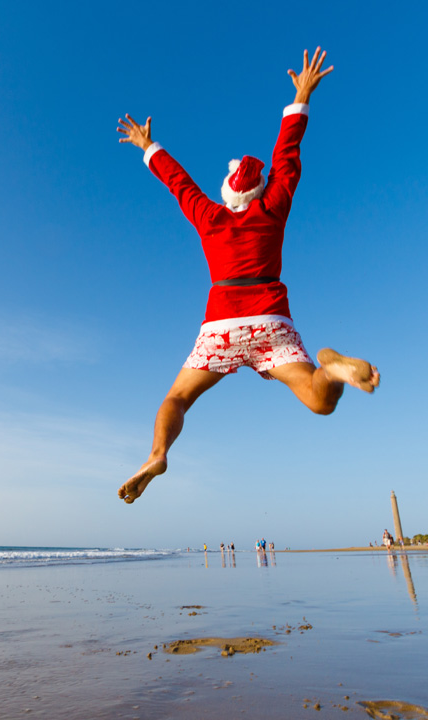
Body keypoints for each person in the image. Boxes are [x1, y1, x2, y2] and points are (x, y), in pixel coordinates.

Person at [116, 48, 379, 505]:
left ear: (227, 193)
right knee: (320, 400)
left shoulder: (208, 216)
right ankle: (331, 368)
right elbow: (287, 157)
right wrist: (301, 97)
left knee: (177, 399)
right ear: (259, 191)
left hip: (221, 324)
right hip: (271, 323)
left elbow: (179, 182)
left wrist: (148, 147)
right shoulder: (273, 208)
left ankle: (158, 453)